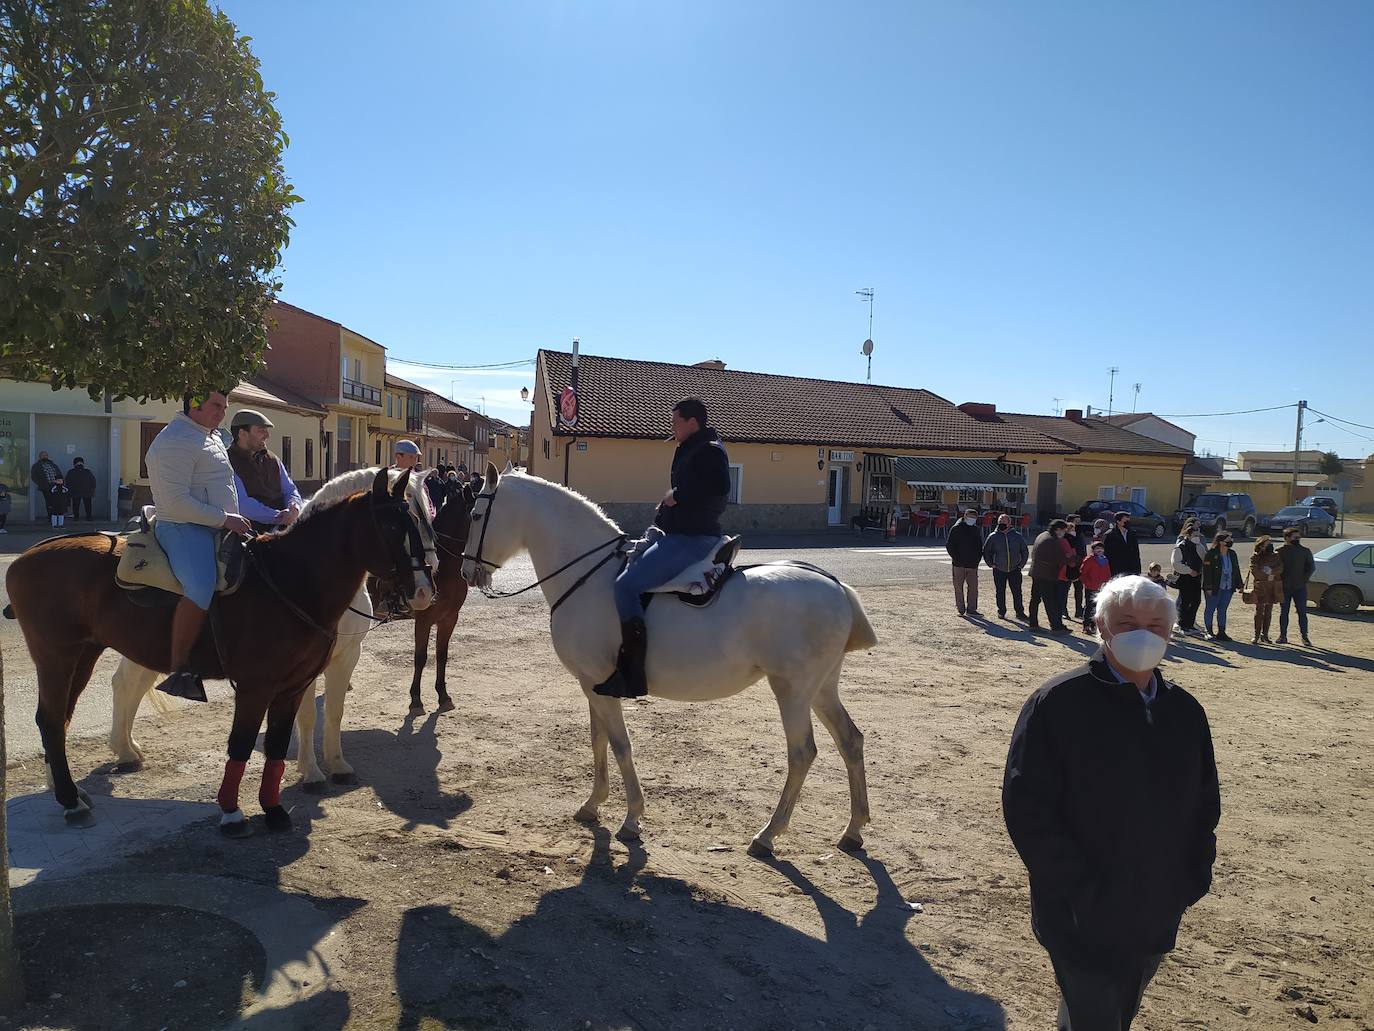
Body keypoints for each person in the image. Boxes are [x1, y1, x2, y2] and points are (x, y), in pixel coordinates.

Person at [1003, 575, 1220, 1031]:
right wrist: (1080, 891)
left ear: (1171, 632)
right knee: (1097, 1014)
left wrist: (1192, 876)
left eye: (1155, 625)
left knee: (1119, 1005)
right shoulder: (1057, 703)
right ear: (1102, 626)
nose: (1143, 634)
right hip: (1081, 912)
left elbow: (1204, 802)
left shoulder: (1184, 711)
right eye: (1126, 622)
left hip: (1155, 903)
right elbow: (1027, 807)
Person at [598, 397, 732, 698]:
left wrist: (679, 495)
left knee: (624, 587)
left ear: (692, 422)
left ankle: (632, 675)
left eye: (675, 421)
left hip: (691, 539)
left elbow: (722, 488)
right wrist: (669, 504)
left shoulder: (708, 450)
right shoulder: (693, 446)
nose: (671, 425)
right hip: (679, 532)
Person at [144, 389, 252, 702]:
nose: (222, 412)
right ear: (194, 405)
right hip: (182, 527)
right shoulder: (175, 441)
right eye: (216, 405)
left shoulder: (209, 435)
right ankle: (180, 669)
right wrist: (225, 518)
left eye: (225, 407)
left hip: (216, 525)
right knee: (201, 585)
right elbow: (176, 504)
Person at [226, 409, 303, 533]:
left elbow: (290, 489)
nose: (267, 435)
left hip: (282, 528)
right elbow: (241, 503)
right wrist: (277, 516)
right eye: (261, 431)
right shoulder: (227, 462)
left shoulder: (273, 459)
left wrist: (294, 507)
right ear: (242, 433)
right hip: (249, 532)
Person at [983, 513, 1030, 620]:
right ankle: (1001, 611)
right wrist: (991, 564)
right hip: (999, 569)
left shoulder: (1017, 536)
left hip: (1015, 569)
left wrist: (1021, 565)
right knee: (1000, 591)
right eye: (1000, 522)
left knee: (1017, 592)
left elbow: (1024, 551)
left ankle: (1019, 612)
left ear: (1009, 523)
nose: (1001, 524)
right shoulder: (993, 536)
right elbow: (986, 551)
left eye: (1004, 522)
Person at [1029, 519, 1072, 635]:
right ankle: (1056, 627)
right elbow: (1061, 559)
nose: (1064, 533)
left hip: (1037, 572)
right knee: (1050, 601)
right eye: (1063, 530)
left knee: (1035, 599)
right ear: (1058, 529)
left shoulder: (1042, 535)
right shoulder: (1052, 541)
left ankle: (1033, 623)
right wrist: (1074, 559)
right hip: (1046, 574)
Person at [1277, 529, 1315, 647]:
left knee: (1302, 612)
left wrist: (1304, 580)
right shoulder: (1280, 551)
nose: (1297, 539)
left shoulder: (1305, 551)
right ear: (1287, 538)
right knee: (1284, 612)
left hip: (1300, 587)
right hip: (1285, 587)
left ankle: (1305, 636)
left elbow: (1311, 567)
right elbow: (1276, 568)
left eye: (1298, 537)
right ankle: (1283, 635)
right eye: (1294, 537)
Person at [946, 507, 984, 617]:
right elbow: (950, 545)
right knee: (958, 587)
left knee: (973, 588)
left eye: (974, 518)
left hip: (972, 564)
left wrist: (977, 559)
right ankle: (961, 608)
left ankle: (972, 609)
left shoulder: (976, 529)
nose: (972, 519)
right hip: (958, 564)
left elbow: (979, 546)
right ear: (965, 516)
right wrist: (956, 558)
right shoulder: (956, 528)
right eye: (970, 517)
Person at [1201, 532, 1238, 642]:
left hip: (1228, 587)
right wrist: (1208, 587)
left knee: (1222, 610)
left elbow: (1236, 569)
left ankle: (1221, 632)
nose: (1231, 540)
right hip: (1214, 587)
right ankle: (1208, 631)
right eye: (1228, 539)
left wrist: (1239, 584)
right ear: (1221, 542)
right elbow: (1206, 572)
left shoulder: (1232, 554)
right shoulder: (1211, 554)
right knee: (1210, 609)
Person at [1171, 520, 1205, 636]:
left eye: (1198, 535)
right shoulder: (1180, 547)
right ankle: (1182, 625)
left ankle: (1190, 624)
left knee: (1196, 600)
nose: (1197, 537)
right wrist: (1189, 571)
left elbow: (1204, 558)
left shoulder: (1199, 547)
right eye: (1195, 535)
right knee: (1185, 602)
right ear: (1188, 535)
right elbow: (1176, 563)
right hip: (1185, 578)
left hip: (1197, 578)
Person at [1249, 536, 1283, 645]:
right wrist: (1267, 575)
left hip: (1272, 586)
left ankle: (1265, 635)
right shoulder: (1255, 557)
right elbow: (1255, 571)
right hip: (1260, 586)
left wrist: (1271, 573)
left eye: (1270, 543)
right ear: (1261, 545)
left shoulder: (1276, 556)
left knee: (1268, 611)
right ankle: (1256, 634)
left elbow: (1280, 568)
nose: (1269, 545)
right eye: (1266, 544)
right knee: (1259, 611)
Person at [1078, 539, 1112, 634]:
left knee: (1098, 607)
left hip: (1101, 587)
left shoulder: (1105, 560)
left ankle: (1094, 624)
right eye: (1097, 548)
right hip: (1090, 587)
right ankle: (1086, 625)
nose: (1099, 550)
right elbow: (1082, 573)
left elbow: (1108, 573)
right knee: (1089, 606)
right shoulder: (1089, 560)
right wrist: (1087, 582)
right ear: (1093, 550)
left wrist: (1107, 583)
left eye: (1101, 548)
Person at [1103, 511, 1142, 577]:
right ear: (1118, 521)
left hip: (1131, 570)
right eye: (1125, 519)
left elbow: (1136, 552)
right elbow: (1107, 554)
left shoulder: (1132, 533)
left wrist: (1138, 570)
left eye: (1128, 519)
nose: (1128, 521)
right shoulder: (1110, 535)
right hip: (1117, 571)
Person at [1064, 516, 1089, 619]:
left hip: (1079, 565)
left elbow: (1083, 550)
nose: (1078, 524)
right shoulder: (1065, 537)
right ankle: (1063, 610)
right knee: (1065, 590)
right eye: (1076, 522)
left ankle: (1079, 610)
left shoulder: (1080, 535)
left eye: (1079, 522)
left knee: (1079, 590)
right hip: (1068, 567)